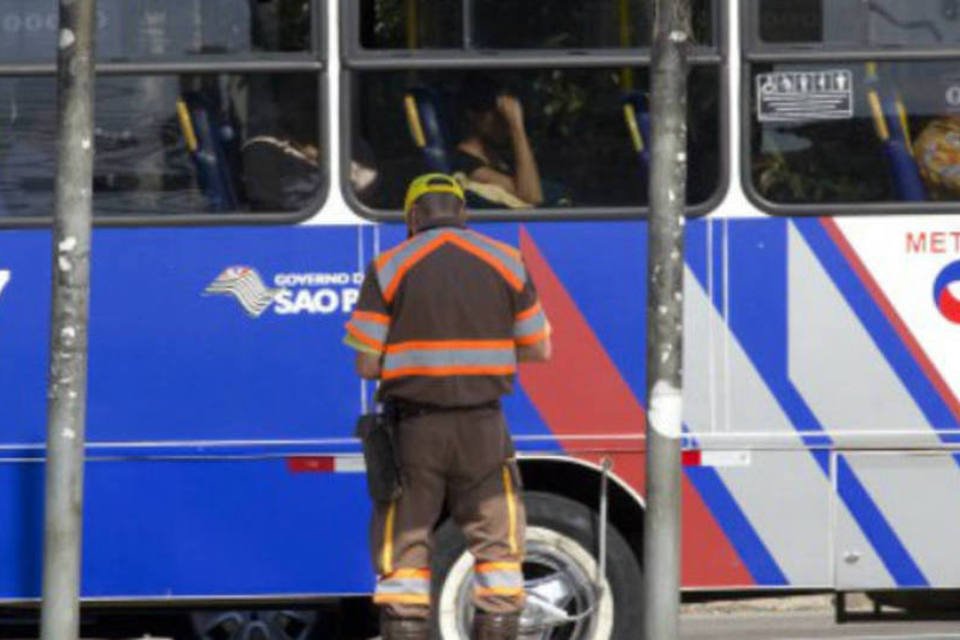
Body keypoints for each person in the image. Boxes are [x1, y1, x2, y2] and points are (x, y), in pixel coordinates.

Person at [344, 173, 552, 640]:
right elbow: (539, 349)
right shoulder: (507, 261)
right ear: (463, 212)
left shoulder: (388, 266)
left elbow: (364, 362)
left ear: (413, 217)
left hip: (416, 431)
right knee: (498, 552)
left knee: (405, 558)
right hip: (484, 428)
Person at [454, 75, 545, 208]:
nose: (505, 124)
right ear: (474, 116)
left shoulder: (498, 156)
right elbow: (531, 197)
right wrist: (517, 128)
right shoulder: (467, 165)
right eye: (499, 116)